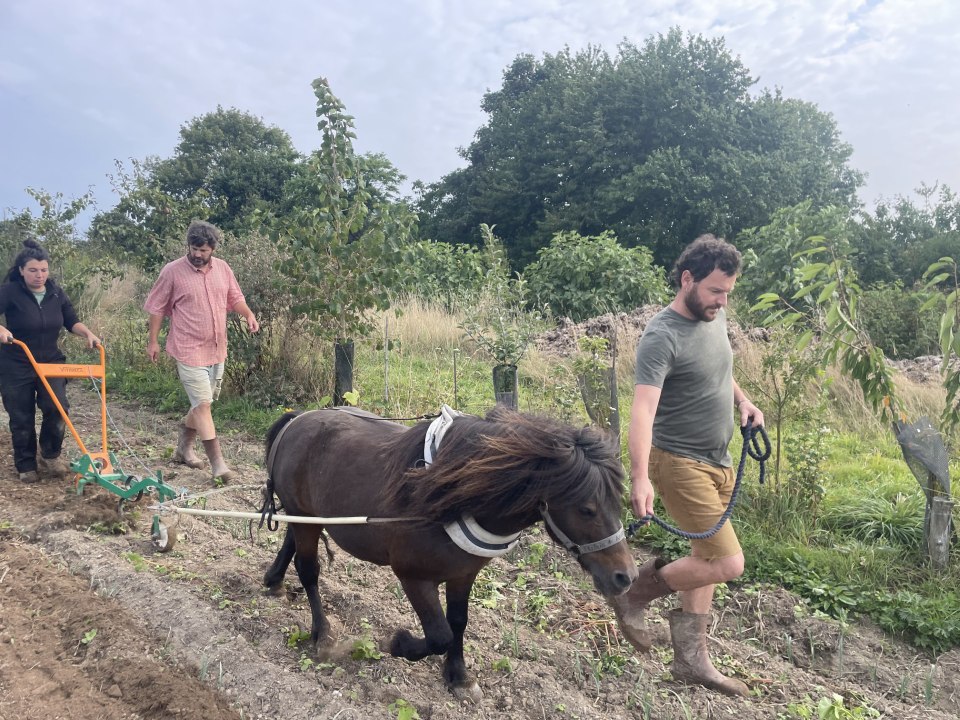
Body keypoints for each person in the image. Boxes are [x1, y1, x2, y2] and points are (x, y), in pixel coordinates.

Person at [609, 234, 763, 697]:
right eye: (715, 291)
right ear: (687, 279)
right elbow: (643, 411)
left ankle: (691, 662)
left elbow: (719, 370)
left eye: (728, 292)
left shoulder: (714, 317)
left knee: (706, 559)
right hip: (679, 463)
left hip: (719, 461)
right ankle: (633, 592)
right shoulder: (662, 336)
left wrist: (743, 401)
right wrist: (640, 477)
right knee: (728, 563)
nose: (722, 301)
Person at [144, 220, 259, 482]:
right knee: (203, 405)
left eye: (203, 250)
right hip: (188, 348)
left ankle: (184, 448)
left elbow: (235, 298)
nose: (197, 254)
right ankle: (218, 465)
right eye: (194, 248)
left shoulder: (223, 269)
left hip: (217, 349)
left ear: (213, 249)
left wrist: (248, 314)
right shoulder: (172, 271)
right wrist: (153, 341)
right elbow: (156, 308)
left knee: (203, 403)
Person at [0, 239, 101, 483]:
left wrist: (88, 333)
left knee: (57, 407)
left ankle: (50, 454)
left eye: (43, 270)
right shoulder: (9, 291)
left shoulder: (56, 292)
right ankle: (26, 464)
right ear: (21, 270)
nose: (39, 275)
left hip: (50, 361)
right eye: (33, 270)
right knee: (21, 415)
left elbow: (71, 320)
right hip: (17, 362)